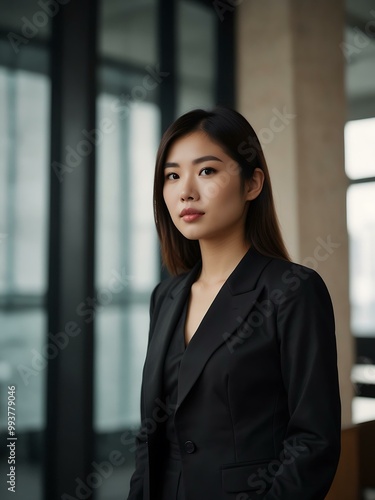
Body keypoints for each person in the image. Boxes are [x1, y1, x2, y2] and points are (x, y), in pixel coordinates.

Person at [127, 107, 341, 500]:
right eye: (172, 175)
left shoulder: (293, 290)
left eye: (206, 171)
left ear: (252, 184)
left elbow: (314, 440)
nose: (185, 190)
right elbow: (150, 435)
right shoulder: (167, 296)